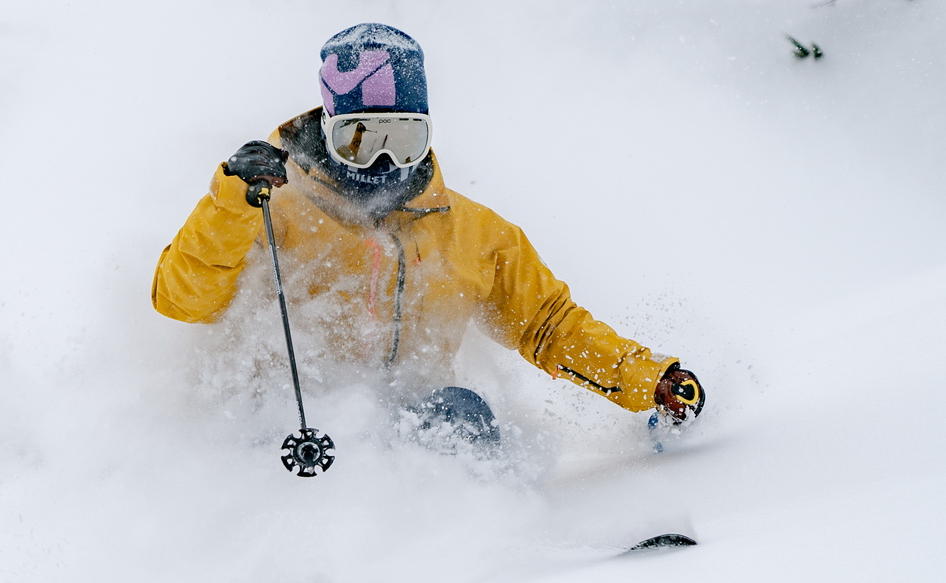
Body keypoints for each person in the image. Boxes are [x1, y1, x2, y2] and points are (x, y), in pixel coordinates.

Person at [152, 23, 704, 449]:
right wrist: (232, 202)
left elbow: (548, 324)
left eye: (406, 138)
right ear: (328, 130)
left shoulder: (471, 233)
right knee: (267, 431)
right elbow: (183, 302)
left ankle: (485, 561)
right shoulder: (271, 206)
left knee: (461, 414)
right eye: (361, 140)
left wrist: (646, 376)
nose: (386, 161)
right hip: (290, 432)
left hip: (405, 434)